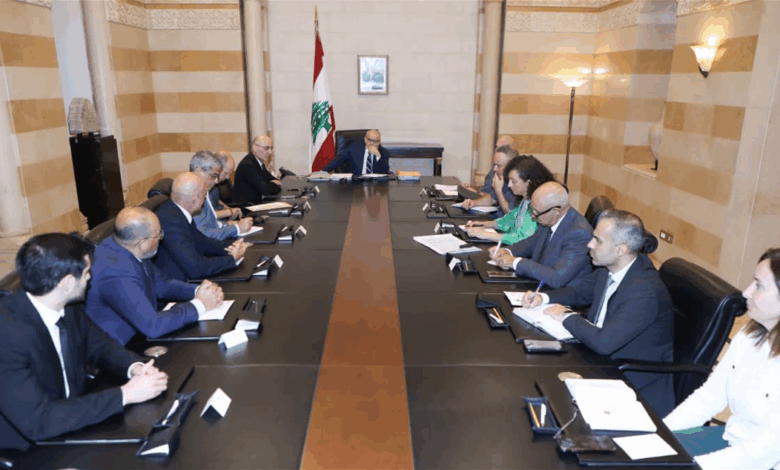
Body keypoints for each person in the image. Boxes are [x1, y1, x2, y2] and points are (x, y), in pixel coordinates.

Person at [0, 233, 168, 450]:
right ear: (68, 283)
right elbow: (39, 421)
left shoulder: (68, 305)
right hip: (31, 447)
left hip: (77, 419)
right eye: (87, 272)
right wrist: (125, 394)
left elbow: (100, 345)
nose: (90, 277)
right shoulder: (6, 337)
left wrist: (135, 367)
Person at [520, 209, 674, 415]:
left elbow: (604, 343)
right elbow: (579, 293)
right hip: (597, 358)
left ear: (621, 249)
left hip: (630, 382)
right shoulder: (608, 268)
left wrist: (567, 317)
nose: (590, 244)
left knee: (549, 401)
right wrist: (543, 298)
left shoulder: (645, 291)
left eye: (598, 240)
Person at [664, 248, 780, 470]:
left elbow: (762, 453)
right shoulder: (749, 334)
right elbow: (709, 397)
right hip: (732, 441)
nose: (746, 292)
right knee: (647, 453)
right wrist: (661, 432)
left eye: (758, 285)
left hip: (762, 462)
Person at [86, 207, 225, 345]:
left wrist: (199, 291)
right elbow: (153, 326)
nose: (161, 238)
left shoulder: (128, 245)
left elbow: (161, 284)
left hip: (141, 331)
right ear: (142, 242)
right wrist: (200, 304)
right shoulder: (115, 271)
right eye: (158, 235)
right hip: (126, 346)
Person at [492, 181, 592, 288]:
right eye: (531, 209)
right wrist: (508, 251)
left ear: (556, 211)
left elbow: (556, 278)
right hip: (538, 283)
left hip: (558, 293)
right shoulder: (548, 218)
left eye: (536, 212)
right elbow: (531, 243)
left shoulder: (580, 234)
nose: (532, 216)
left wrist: (515, 262)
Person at [154, 172, 247, 282]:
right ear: (195, 199)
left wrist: (232, 245)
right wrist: (231, 259)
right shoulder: (171, 222)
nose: (205, 200)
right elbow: (195, 269)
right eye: (204, 195)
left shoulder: (176, 211)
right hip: (180, 284)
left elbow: (203, 242)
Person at [465, 155, 555, 245]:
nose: (509, 185)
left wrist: (485, 234)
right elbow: (509, 220)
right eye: (509, 181)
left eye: (514, 181)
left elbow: (521, 238)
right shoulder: (525, 200)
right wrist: (484, 224)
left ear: (528, 183)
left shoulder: (537, 206)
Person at [190, 150, 253, 241]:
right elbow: (204, 234)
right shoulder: (193, 195)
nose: (216, 181)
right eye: (213, 176)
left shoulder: (204, 191)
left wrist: (230, 225)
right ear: (199, 171)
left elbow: (212, 223)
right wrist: (237, 228)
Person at [461, 136, 517, 216]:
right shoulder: (503, 177)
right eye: (495, 165)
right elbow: (491, 198)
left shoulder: (519, 183)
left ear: (510, 166)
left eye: (499, 166)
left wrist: (498, 191)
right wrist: (474, 202)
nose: (494, 169)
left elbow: (510, 214)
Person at [233, 135, 282, 204]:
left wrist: (272, 183)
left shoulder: (258, 161)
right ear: (255, 147)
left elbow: (269, 178)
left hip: (256, 202)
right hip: (247, 206)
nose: (270, 152)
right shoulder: (248, 165)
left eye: (271, 148)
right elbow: (266, 190)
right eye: (266, 148)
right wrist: (275, 184)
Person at [322, 129, 390, 175]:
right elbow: (337, 160)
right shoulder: (354, 148)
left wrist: (378, 156)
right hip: (356, 185)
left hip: (375, 186)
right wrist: (322, 173)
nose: (372, 143)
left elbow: (385, 173)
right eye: (369, 140)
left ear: (379, 142)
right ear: (365, 139)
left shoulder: (384, 152)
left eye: (375, 141)